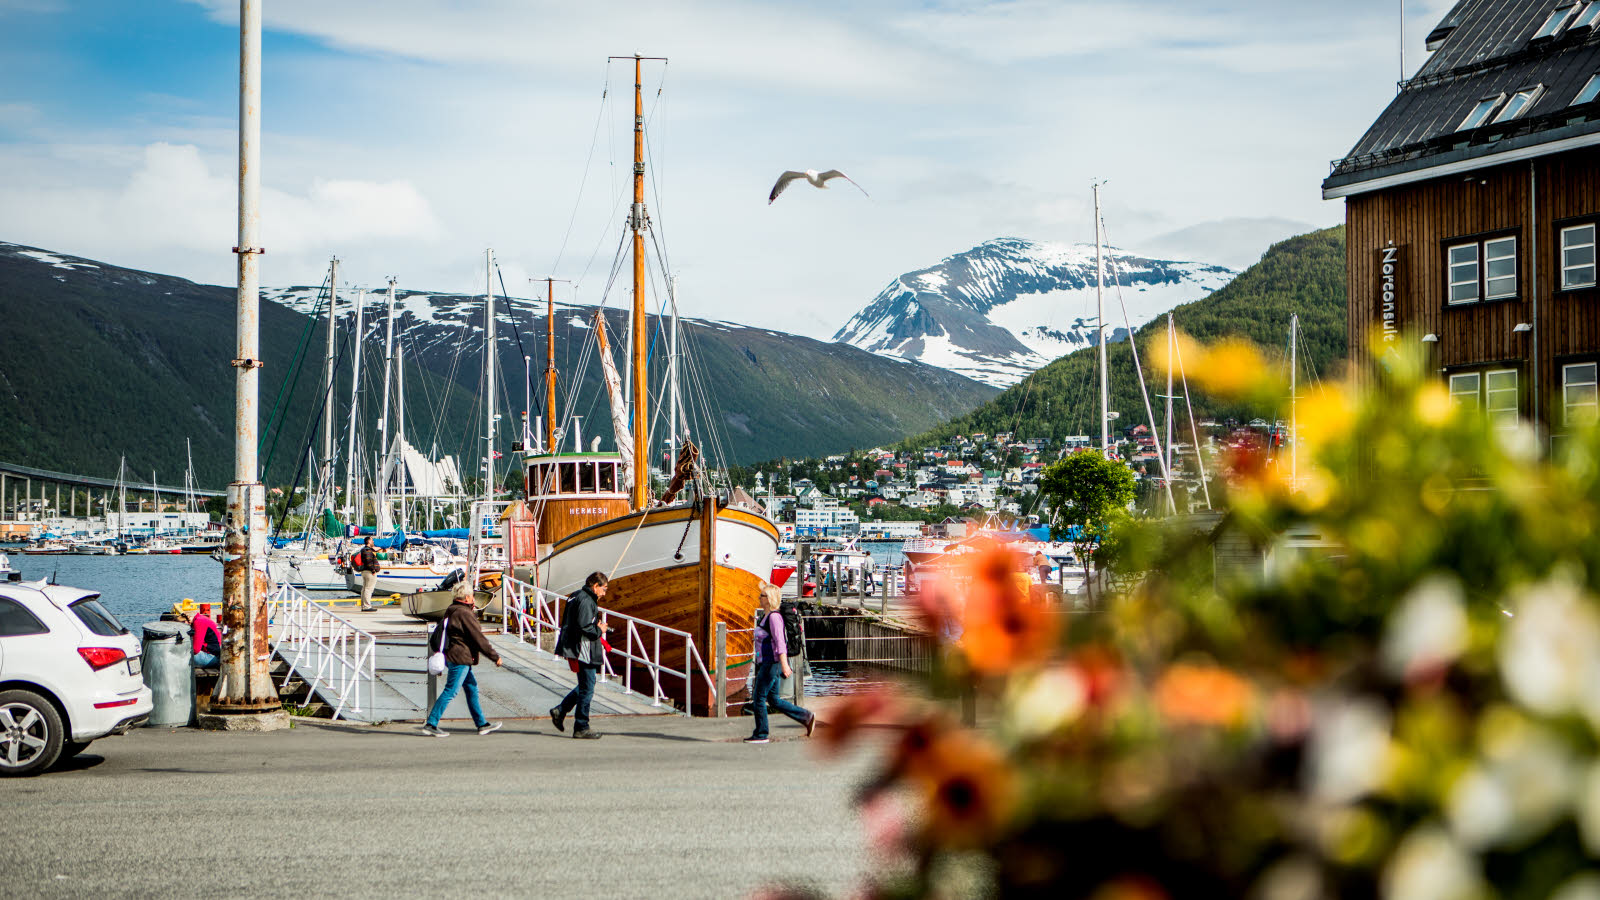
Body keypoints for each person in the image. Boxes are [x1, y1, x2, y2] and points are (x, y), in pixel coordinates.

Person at [419, 582, 503, 737]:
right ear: (467, 597)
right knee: (451, 691)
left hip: (454, 656)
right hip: (460, 657)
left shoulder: (452, 610)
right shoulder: (464, 613)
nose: (473, 598)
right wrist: (495, 657)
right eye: (472, 595)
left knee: (471, 689)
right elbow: (478, 638)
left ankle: (482, 724)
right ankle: (431, 723)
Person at [746, 583, 816, 744]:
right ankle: (806, 717)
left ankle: (761, 733)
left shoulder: (774, 618)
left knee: (758, 697)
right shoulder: (766, 617)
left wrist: (785, 665)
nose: (759, 597)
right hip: (767, 662)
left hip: (771, 663)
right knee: (774, 699)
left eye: (762, 595)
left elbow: (780, 642)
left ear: (769, 599)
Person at [551, 571, 608, 739]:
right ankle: (581, 726)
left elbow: (579, 622)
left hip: (575, 646)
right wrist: (600, 629)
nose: (604, 594)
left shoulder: (576, 596)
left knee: (585, 685)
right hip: (583, 648)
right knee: (588, 688)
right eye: (604, 589)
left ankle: (560, 711)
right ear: (595, 586)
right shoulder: (586, 600)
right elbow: (584, 627)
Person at [356, 537, 380, 611]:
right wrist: (373, 570)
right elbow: (368, 561)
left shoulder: (364, 550)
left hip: (365, 571)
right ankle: (367, 606)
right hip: (369, 572)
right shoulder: (367, 550)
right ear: (369, 541)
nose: (373, 541)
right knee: (368, 589)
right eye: (372, 540)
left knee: (365, 588)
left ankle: (364, 605)